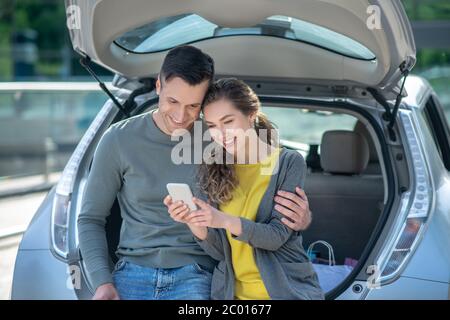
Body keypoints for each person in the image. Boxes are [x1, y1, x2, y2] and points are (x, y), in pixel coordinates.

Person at [78, 45, 312, 300]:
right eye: (172, 101)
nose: (180, 116)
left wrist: (301, 220)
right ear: (158, 86)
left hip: (198, 272)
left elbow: (266, 175)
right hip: (132, 270)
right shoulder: (118, 139)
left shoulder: (219, 137)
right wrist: (102, 281)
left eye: (193, 106)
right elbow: (90, 218)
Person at [165, 78, 323, 300]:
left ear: (251, 115)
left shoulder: (288, 162)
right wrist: (194, 221)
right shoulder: (210, 165)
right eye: (212, 126)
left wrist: (222, 220)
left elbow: (275, 237)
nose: (221, 134)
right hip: (231, 296)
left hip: (284, 292)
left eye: (228, 121)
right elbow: (221, 252)